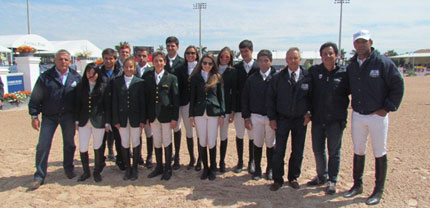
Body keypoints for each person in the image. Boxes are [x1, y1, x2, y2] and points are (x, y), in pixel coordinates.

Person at [343, 30, 404, 205]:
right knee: (358, 150)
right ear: (354, 45)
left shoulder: (383, 63)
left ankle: (378, 190)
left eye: (363, 41)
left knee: (379, 151)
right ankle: (357, 185)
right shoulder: (352, 65)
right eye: (357, 42)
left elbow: (398, 85)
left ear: (370, 42)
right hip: (358, 115)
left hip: (377, 115)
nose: (360, 45)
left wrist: (388, 108)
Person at [28, 49, 82, 190]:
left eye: (66, 59)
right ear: (55, 61)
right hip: (49, 116)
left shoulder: (76, 77)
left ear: (70, 61)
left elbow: (80, 100)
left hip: (68, 116)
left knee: (69, 144)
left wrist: (78, 119)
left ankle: (69, 169)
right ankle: (39, 175)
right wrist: (34, 115)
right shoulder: (45, 77)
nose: (63, 62)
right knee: (43, 145)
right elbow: (35, 97)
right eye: (60, 59)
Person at [306, 42, 350, 194]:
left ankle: (332, 180)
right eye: (325, 54)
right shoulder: (314, 71)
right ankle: (321, 176)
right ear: (321, 56)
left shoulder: (345, 74)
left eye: (330, 53)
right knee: (318, 150)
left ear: (336, 55)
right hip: (318, 119)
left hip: (336, 120)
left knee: (334, 151)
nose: (328, 56)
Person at [267, 47, 311, 191]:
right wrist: (272, 118)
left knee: (297, 150)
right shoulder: (278, 78)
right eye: (290, 58)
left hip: (300, 120)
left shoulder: (308, 77)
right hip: (282, 119)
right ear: (286, 60)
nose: (293, 60)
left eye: (295, 58)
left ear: (300, 59)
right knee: (279, 150)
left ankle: (293, 177)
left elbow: (313, 98)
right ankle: (277, 179)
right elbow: (271, 100)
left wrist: (309, 113)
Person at [144, 51, 179, 181]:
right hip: (153, 115)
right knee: (157, 141)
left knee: (167, 140)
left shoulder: (171, 78)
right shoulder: (148, 78)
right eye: (156, 61)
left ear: (164, 62)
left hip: (166, 115)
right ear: (152, 62)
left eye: (161, 61)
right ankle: (159, 167)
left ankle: (168, 168)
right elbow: (147, 99)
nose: (158, 63)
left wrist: (175, 118)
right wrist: (147, 117)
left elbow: (175, 100)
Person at [189, 53, 225, 180]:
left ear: (213, 64)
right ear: (201, 63)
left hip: (213, 112)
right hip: (199, 112)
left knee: (211, 141)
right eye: (204, 63)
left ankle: (213, 168)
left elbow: (221, 97)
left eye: (210, 63)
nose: (207, 65)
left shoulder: (217, 77)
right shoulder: (195, 78)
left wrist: (222, 113)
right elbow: (192, 97)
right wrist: (191, 115)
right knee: (202, 140)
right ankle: (205, 167)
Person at [242, 49, 276, 181]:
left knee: (270, 143)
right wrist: (246, 117)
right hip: (255, 116)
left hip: (271, 117)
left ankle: (270, 169)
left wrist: (275, 118)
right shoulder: (251, 79)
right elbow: (245, 99)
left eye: (266, 60)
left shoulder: (276, 78)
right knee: (257, 143)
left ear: (271, 62)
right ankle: (257, 169)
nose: (263, 63)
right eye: (261, 60)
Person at [74, 63, 111, 182]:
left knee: (98, 145)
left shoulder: (103, 86)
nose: (91, 75)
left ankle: (97, 170)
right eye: (88, 72)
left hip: (99, 120)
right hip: (84, 120)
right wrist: (76, 120)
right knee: (83, 146)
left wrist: (107, 122)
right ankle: (86, 171)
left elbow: (107, 105)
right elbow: (77, 104)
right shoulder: (80, 87)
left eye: (93, 73)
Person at [112, 57, 146, 181]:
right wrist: (115, 120)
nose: (128, 69)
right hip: (122, 118)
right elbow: (114, 102)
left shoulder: (140, 82)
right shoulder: (116, 82)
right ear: (123, 68)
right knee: (125, 143)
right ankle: (127, 168)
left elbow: (143, 102)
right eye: (126, 67)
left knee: (136, 142)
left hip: (136, 118)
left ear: (134, 68)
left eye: (131, 67)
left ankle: (135, 167)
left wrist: (143, 119)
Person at [233, 40, 259, 174]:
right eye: (241, 51)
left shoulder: (258, 67)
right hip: (238, 107)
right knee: (239, 134)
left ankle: (251, 161)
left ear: (251, 51)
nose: (243, 54)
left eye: (246, 51)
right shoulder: (236, 68)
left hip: (253, 107)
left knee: (252, 135)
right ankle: (240, 161)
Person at [99, 48, 125, 170]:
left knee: (118, 136)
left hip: (116, 108)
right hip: (101, 109)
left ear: (115, 59)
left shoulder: (121, 72)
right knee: (101, 138)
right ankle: (100, 161)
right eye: (106, 58)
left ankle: (121, 160)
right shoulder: (98, 72)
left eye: (111, 58)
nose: (108, 61)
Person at [176, 45, 200, 170]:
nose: (190, 55)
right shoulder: (180, 68)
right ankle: (192, 157)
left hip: (198, 104)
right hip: (185, 103)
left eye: (193, 53)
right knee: (189, 131)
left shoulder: (201, 67)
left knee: (200, 132)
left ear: (196, 54)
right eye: (188, 53)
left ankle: (201, 158)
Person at [164, 36, 185, 170]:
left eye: (173, 46)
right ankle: (168, 155)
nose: (170, 48)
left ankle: (176, 156)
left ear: (177, 47)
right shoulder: (161, 61)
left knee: (177, 128)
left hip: (180, 101)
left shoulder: (182, 62)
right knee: (166, 131)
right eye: (168, 46)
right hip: (165, 102)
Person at [216, 47, 237, 173]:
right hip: (213, 107)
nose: (224, 58)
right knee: (211, 136)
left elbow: (234, 92)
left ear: (230, 58)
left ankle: (222, 161)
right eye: (222, 56)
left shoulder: (233, 71)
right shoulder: (213, 69)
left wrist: (233, 111)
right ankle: (210, 161)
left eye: (227, 56)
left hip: (227, 107)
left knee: (223, 135)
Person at [135, 47, 154, 168]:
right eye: (139, 56)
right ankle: (138, 156)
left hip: (148, 107)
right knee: (137, 134)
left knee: (149, 134)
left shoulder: (151, 70)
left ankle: (149, 157)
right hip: (136, 108)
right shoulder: (131, 69)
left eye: (144, 56)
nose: (141, 58)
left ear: (148, 57)